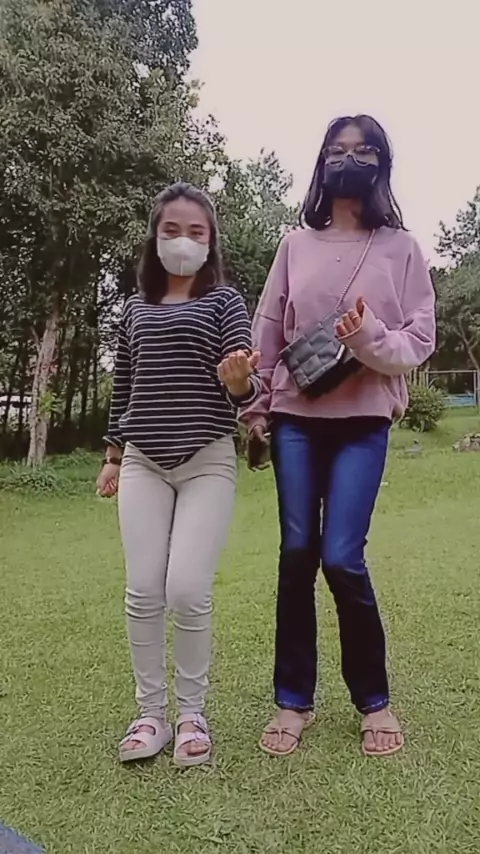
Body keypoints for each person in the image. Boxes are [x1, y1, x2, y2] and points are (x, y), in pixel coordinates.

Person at [241, 115, 436, 758]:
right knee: (297, 552)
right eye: (337, 149)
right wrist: (257, 410)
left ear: (381, 163)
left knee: (342, 556)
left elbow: (419, 338)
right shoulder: (294, 244)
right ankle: (292, 700)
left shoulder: (403, 248)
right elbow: (269, 331)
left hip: (365, 420)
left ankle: (374, 700)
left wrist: (367, 338)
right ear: (322, 163)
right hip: (296, 419)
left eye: (363, 150)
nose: (349, 159)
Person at [97, 182, 260, 768]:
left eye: (196, 231)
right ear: (155, 237)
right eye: (172, 230)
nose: (184, 241)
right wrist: (113, 455)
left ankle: (192, 714)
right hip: (142, 461)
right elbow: (125, 387)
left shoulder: (226, 303)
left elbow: (245, 384)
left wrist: (239, 380)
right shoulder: (134, 309)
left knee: (187, 589)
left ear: (211, 241)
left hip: (206, 460)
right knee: (143, 590)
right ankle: (151, 715)